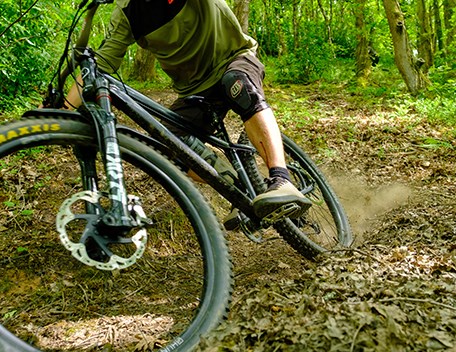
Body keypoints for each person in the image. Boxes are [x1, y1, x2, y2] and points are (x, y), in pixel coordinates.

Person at [66, 0, 311, 222]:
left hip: (234, 59)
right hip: (195, 90)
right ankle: (240, 192)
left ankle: (282, 180)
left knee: (238, 85)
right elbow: (103, 63)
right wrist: (62, 115)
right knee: (166, 140)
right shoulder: (127, 12)